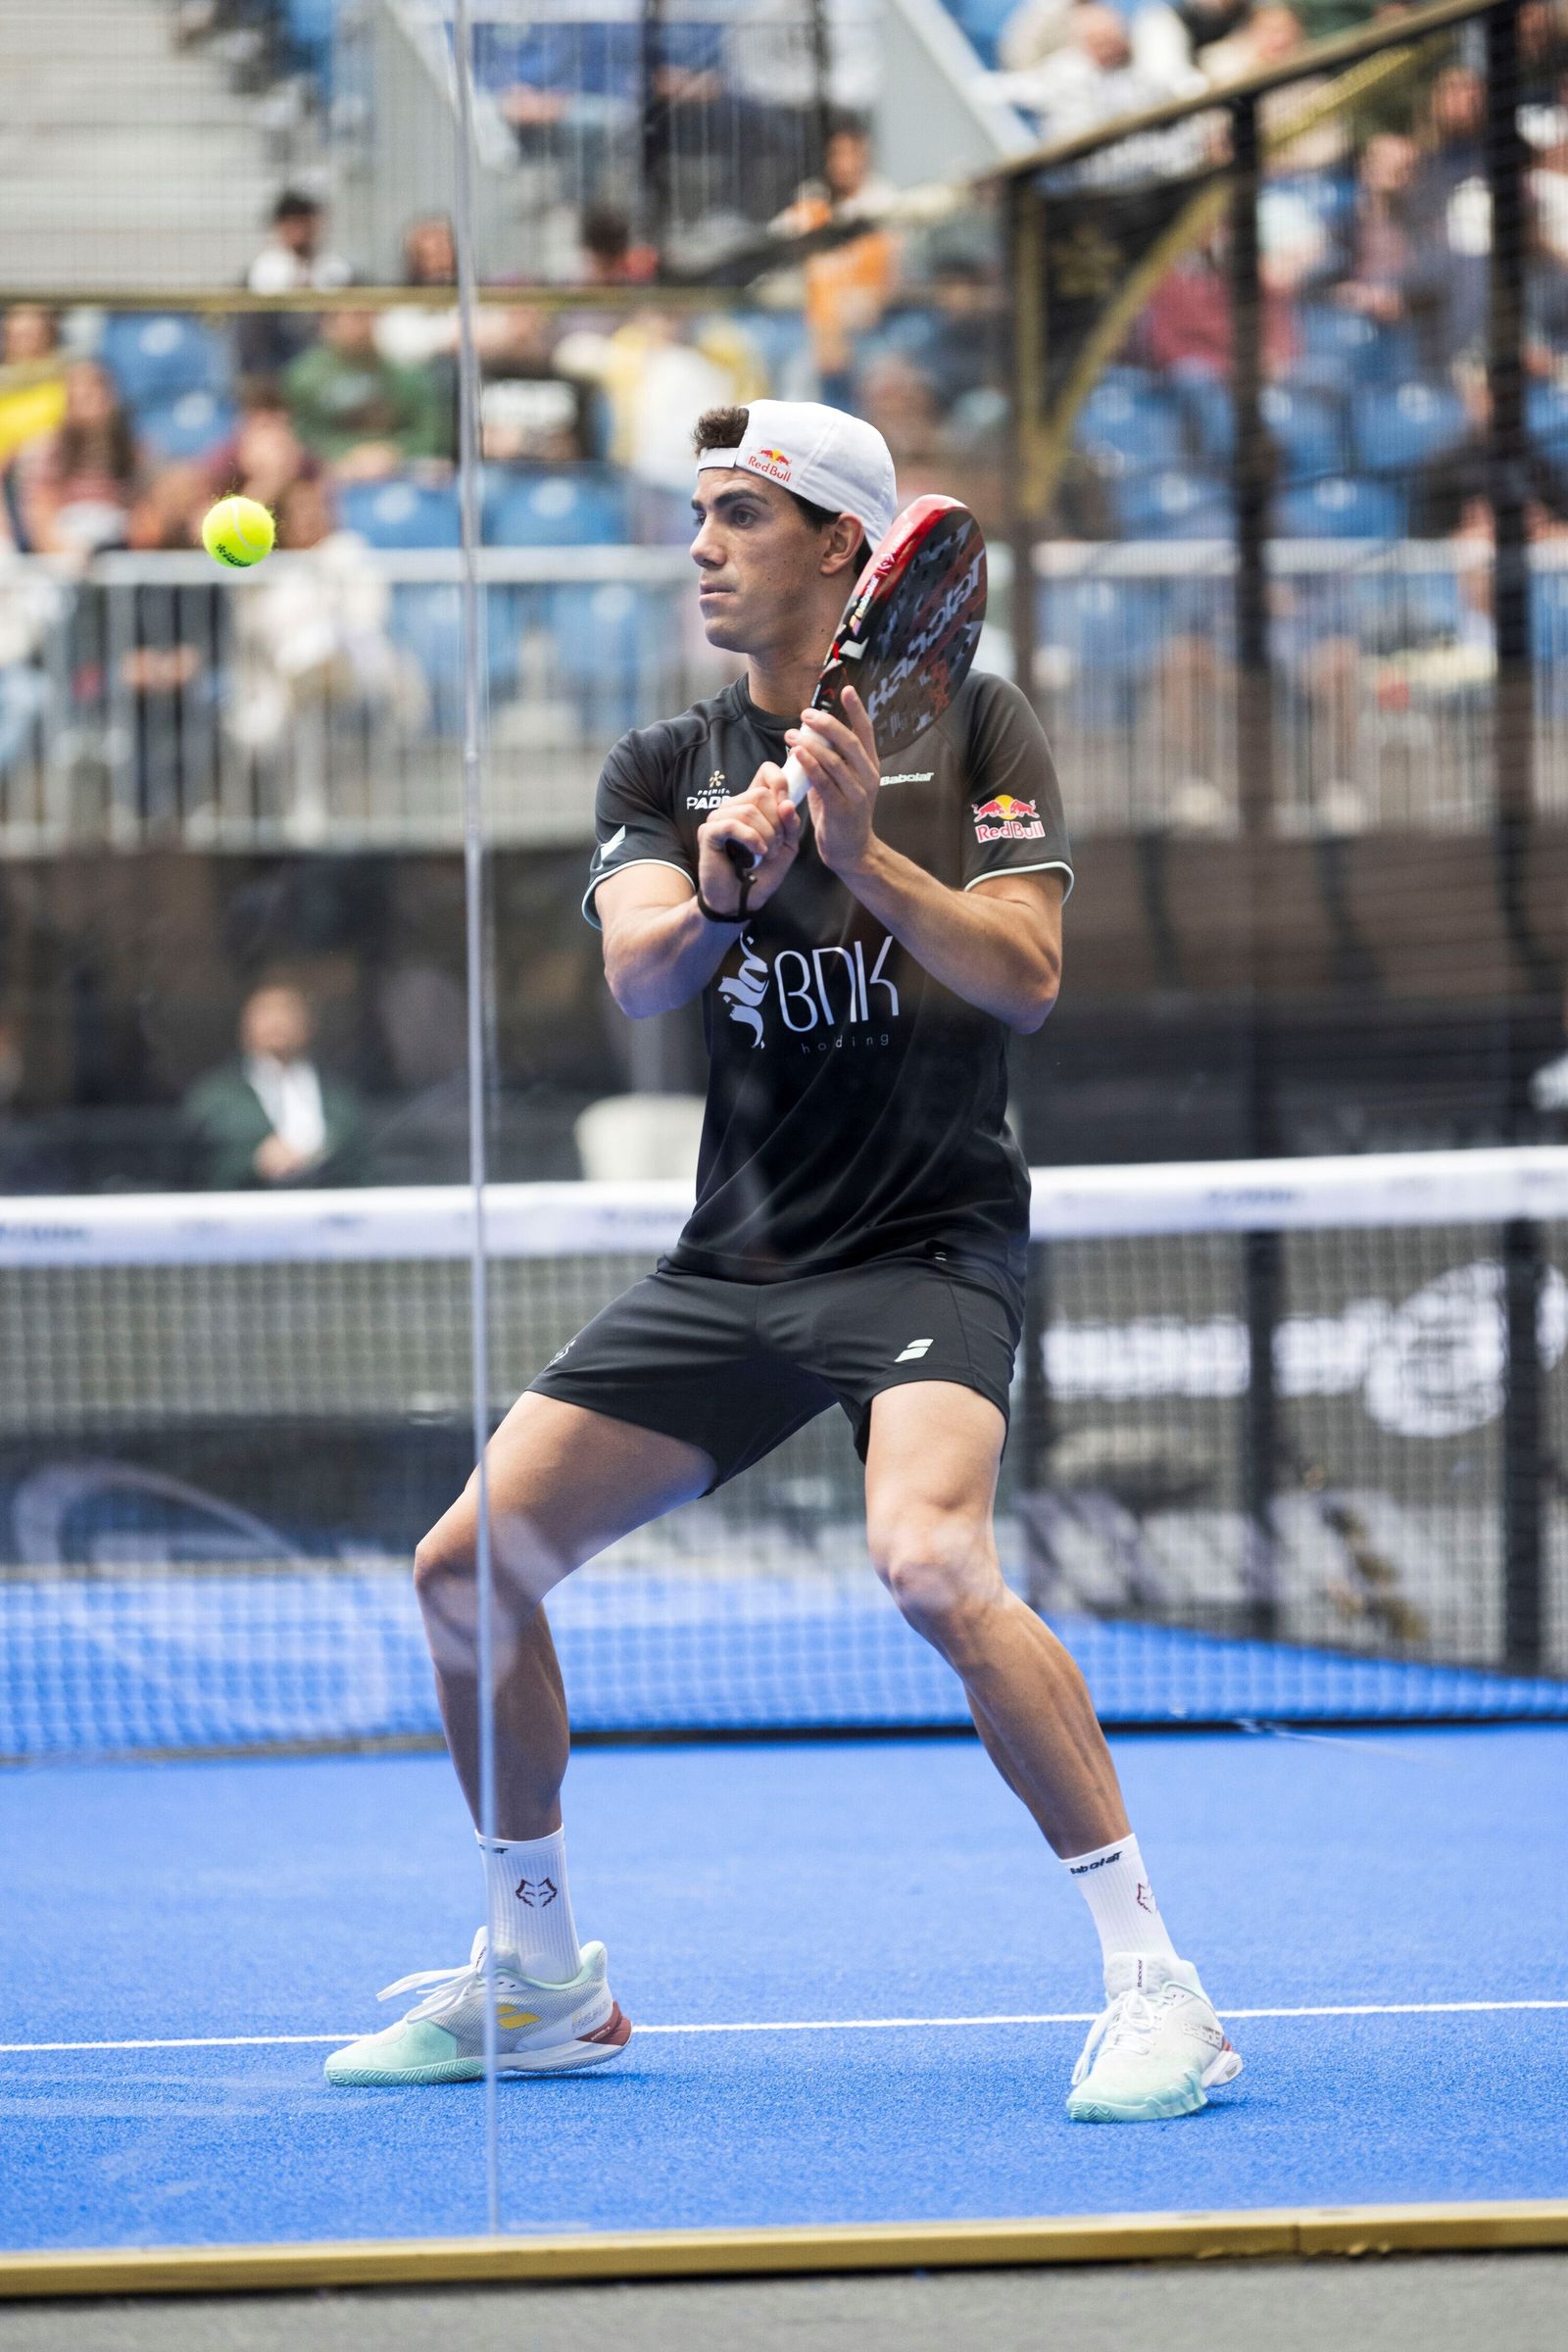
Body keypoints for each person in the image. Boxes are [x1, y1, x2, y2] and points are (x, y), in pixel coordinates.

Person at [326, 398, 1243, 2124]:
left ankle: (1156, 1985)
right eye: (695, 516)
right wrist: (734, 881)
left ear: (844, 548)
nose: (699, 546)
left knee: (931, 1567)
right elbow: (645, 975)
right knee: (463, 1571)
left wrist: (859, 857)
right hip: (736, 1262)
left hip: (923, 1246)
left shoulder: (975, 721)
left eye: (739, 516)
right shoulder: (661, 768)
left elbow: (1029, 977)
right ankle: (537, 1974)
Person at [184, 979, 369, 1189]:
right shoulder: (215, 1094)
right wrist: (256, 1160)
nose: (277, 1022)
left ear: (308, 1025)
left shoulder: (339, 1095)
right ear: (245, 1026)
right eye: (265, 1012)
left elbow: (361, 1160)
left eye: (287, 1011)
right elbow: (199, 1162)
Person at [283, 308, 450, 479]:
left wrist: (394, 452)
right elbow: (299, 433)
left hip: (401, 468)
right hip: (329, 470)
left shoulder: (405, 371)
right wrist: (345, 453)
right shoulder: (305, 376)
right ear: (328, 322)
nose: (360, 325)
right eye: (352, 315)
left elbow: (430, 430)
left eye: (366, 315)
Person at [236, 189, 355, 378]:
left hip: (329, 367)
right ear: (279, 227)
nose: (300, 230)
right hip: (276, 366)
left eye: (305, 221)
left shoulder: (338, 271)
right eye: (291, 222)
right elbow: (252, 340)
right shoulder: (258, 274)